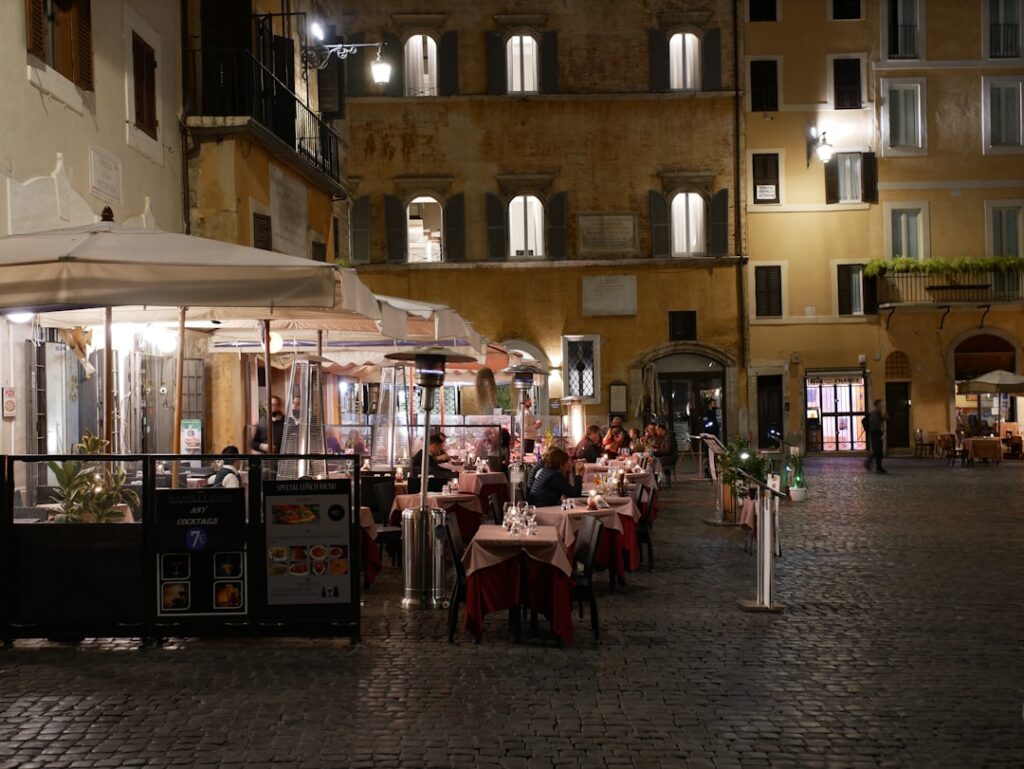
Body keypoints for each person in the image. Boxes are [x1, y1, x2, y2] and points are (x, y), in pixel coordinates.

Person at [864, 399, 887, 473]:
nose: (882, 405)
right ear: (877, 405)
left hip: (878, 433)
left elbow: (879, 422)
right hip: (875, 433)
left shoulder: (878, 413)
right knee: (877, 450)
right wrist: (883, 418)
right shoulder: (874, 413)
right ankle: (870, 464)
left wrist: (884, 418)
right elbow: (876, 423)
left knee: (878, 451)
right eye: (881, 404)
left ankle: (878, 467)